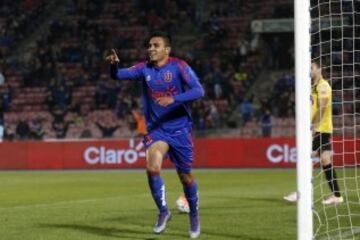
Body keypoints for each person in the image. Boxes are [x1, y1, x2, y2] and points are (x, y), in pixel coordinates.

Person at [106, 31, 204, 238]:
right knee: (152, 167)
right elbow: (117, 75)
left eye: (156, 45)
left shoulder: (179, 66)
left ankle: (194, 215)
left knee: (185, 176)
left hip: (180, 129)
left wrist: (174, 99)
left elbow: (198, 91)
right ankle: (163, 211)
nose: (151, 48)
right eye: (149, 45)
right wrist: (114, 64)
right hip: (157, 130)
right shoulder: (144, 69)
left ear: (166, 50)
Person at [284, 61, 343, 205]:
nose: (309, 70)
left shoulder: (322, 85)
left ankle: (301, 193)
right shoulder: (312, 87)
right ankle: (337, 196)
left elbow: (322, 107)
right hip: (321, 128)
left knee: (306, 159)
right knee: (325, 160)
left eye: (311, 67)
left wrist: (313, 127)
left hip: (320, 128)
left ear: (319, 69)